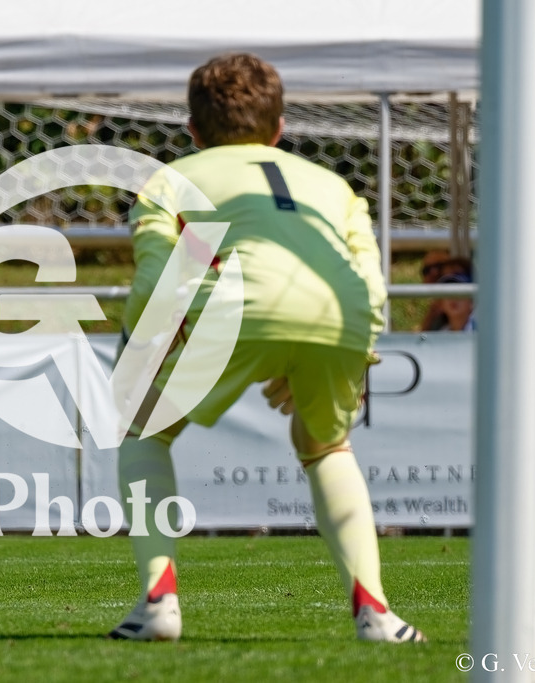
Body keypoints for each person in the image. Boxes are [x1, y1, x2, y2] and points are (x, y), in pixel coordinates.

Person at [108, 53, 424, 642]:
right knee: (326, 444)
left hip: (231, 305)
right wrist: (354, 352)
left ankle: (158, 601)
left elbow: (157, 280)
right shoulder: (331, 184)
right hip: (340, 314)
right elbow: (370, 281)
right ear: (280, 129)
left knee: (142, 428)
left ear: (194, 131)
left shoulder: (171, 180)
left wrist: (137, 352)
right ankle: (377, 613)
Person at [419, 252, 473, 332]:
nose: (453, 296)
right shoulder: (441, 330)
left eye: (457, 286)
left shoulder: (485, 326)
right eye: (447, 285)